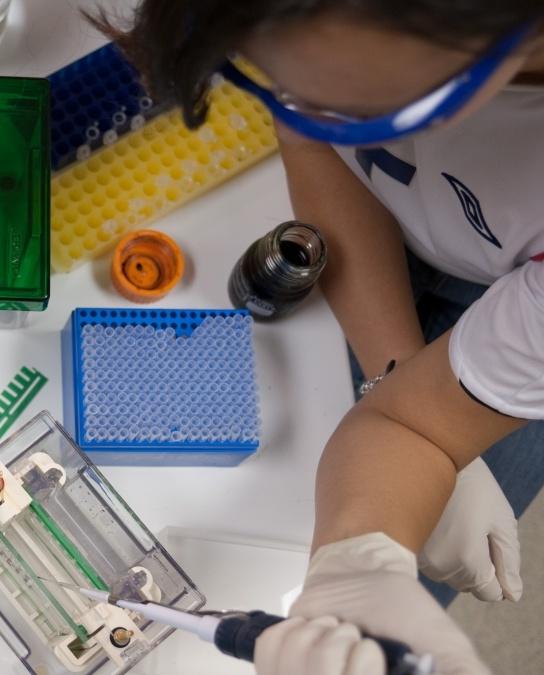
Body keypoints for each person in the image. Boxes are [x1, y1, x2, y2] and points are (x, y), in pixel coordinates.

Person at [105, 1, 544, 673]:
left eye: (367, 106)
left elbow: (426, 429)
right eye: (271, 78)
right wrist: (356, 565)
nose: (308, 111)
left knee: (416, 582)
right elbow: (312, 136)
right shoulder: (336, 44)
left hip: (515, 304)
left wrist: (391, 518)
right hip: (388, 225)